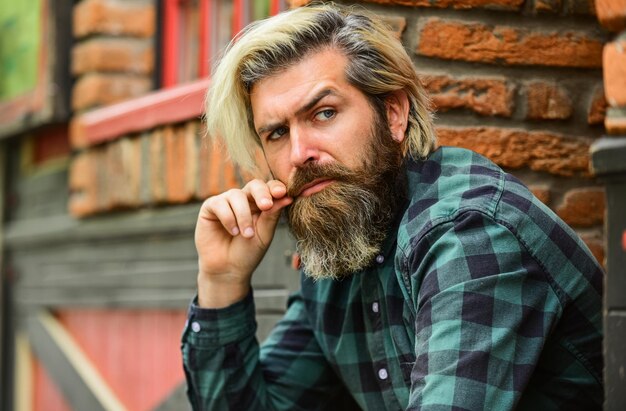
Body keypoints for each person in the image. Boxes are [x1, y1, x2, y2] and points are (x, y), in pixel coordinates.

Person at [181, 3, 603, 410]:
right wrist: (223, 280)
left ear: (395, 113)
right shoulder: (342, 249)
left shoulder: (467, 232)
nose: (298, 153)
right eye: (275, 133)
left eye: (324, 113)